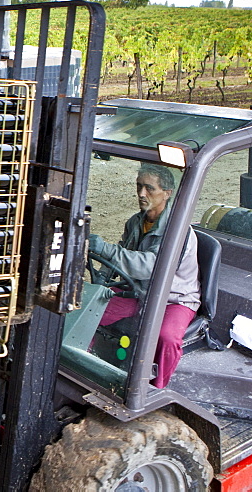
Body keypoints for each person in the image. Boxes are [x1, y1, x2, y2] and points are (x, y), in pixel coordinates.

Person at [88, 163, 200, 389]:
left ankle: (155, 390)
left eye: (149, 188)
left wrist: (104, 249)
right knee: (88, 313)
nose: (141, 194)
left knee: (167, 337)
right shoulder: (136, 222)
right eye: (139, 186)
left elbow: (149, 266)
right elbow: (121, 255)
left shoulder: (177, 231)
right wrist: (101, 280)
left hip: (173, 298)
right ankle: (85, 367)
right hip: (139, 291)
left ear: (167, 193)